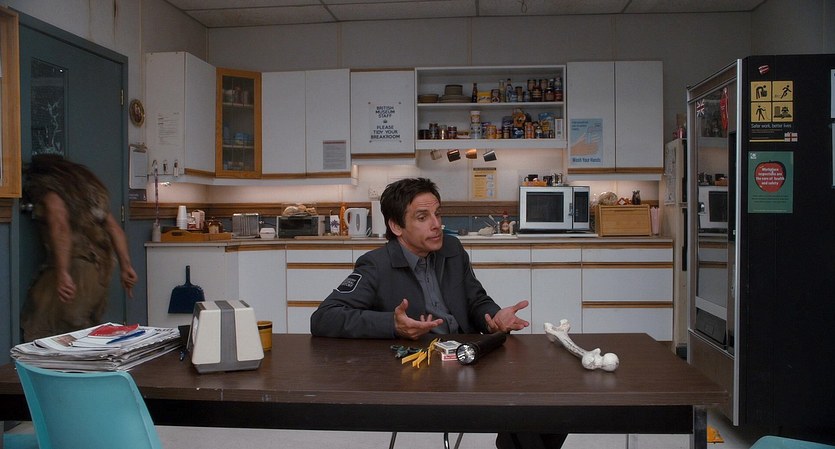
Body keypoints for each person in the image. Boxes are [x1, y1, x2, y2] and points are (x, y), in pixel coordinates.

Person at [310, 177, 566, 449]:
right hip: (422, 370)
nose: (436, 224)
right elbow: (324, 317)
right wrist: (392, 325)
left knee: (556, 396)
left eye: (437, 214)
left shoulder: (452, 250)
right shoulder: (375, 265)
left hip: (470, 357)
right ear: (396, 226)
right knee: (525, 411)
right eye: (423, 217)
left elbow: (476, 300)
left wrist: (493, 317)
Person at [20, 154, 138, 342]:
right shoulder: (88, 192)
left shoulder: (50, 191)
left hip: (77, 268)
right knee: (82, 331)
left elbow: (60, 226)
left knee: (49, 330)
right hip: (99, 271)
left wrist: (63, 272)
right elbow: (114, 229)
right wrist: (126, 266)